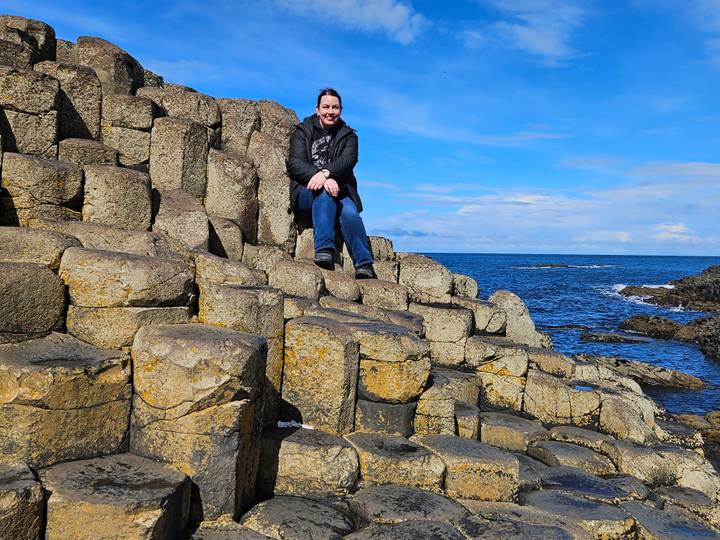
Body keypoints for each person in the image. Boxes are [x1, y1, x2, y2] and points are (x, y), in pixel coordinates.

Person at [287, 88, 377, 279]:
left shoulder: (349, 136)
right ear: (317, 109)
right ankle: (324, 249)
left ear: (341, 110)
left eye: (335, 107)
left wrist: (326, 174)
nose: (330, 111)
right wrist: (318, 177)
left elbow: (348, 160)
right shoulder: (302, 131)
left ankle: (364, 264)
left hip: (341, 192)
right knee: (325, 192)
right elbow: (295, 164)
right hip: (307, 194)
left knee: (351, 214)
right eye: (326, 107)